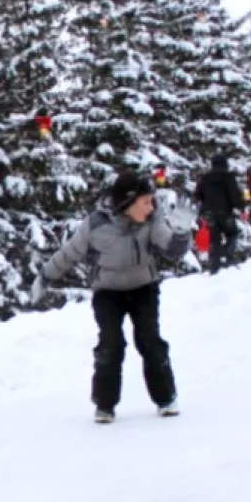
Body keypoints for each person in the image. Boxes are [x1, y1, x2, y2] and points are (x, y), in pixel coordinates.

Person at [35, 172, 193, 423]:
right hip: (108, 292)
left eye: (152, 201)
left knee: (149, 340)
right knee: (111, 344)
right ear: (128, 203)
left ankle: (165, 398)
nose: (151, 206)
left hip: (144, 289)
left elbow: (171, 249)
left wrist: (182, 233)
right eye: (145, 201)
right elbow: (70, 253)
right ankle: (105, 405)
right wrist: (45, 276)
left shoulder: (152, 220)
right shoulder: (96, 225)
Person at [192, 153, 246, 274]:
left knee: (213, 240)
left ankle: (214, 268)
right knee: (233, 233)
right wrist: (241, 207)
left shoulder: (204, 178)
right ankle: (228, 255)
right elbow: (234, 195)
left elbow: (197, 195)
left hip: (208, 213)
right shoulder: (228, 177)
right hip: (225, 212)